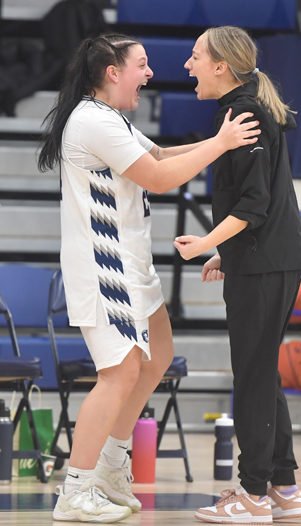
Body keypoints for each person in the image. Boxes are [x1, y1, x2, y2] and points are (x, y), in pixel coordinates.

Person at [38, 33, 259, 523]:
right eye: (141, 64)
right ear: (113, 72)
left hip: (131, 262)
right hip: (104, 265)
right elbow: (159, 180)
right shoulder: (92, 120)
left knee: (157, 356)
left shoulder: (112, 118)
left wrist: (224, 142)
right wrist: (222, 142)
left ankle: (112, 467)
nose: (149, 73)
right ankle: (75, 490)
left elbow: (158, 157)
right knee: (117, 375)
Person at [173, 26, 301, 524]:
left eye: (195, 57)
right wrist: (224, 253)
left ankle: (252, 494)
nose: (188, 65)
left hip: (266, 261)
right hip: (264, 257)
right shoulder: (246, 104)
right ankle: (284, 485)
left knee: (253, 377)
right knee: (263, 373)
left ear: (221, 66)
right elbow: (261, 200)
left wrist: (207, 243)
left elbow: (254, 204)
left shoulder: (247, 110)